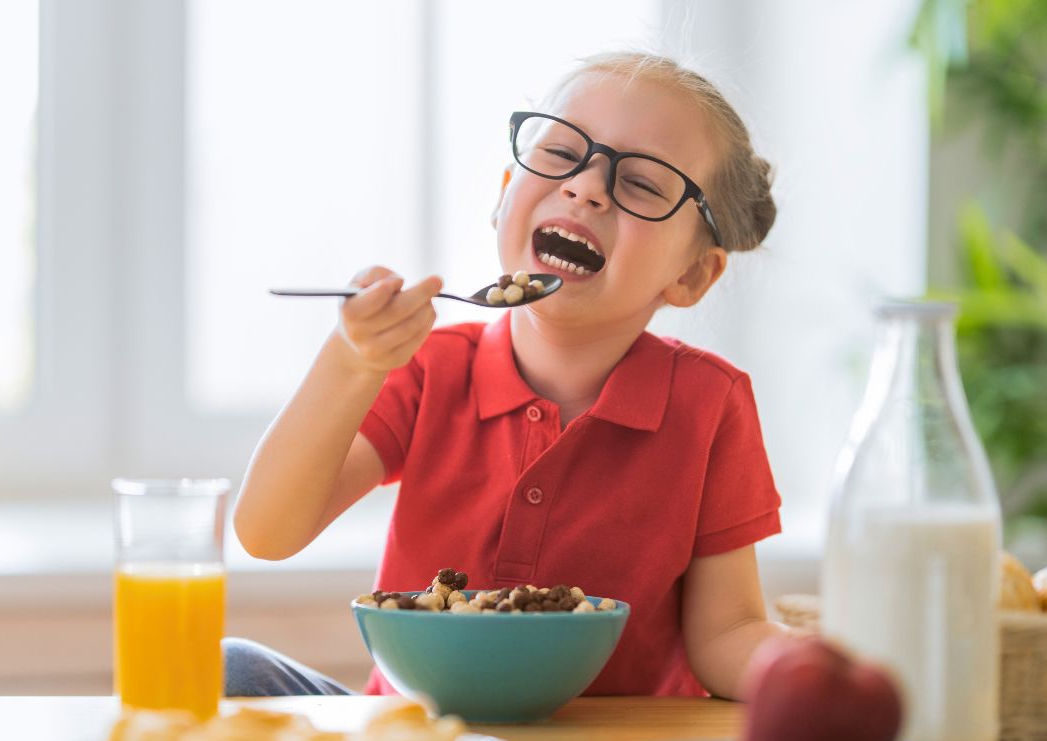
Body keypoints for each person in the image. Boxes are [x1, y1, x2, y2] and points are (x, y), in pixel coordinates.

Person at [227, 50, 787, 701]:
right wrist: (349, 363)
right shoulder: (430, 368)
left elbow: (727, 634)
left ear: (692, 275)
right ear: (503, 197)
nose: (586, 187)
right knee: (233, 668)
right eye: (558, 154)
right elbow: (266, 531)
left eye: (641, 183)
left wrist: (815, 674)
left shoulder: (708, 404)